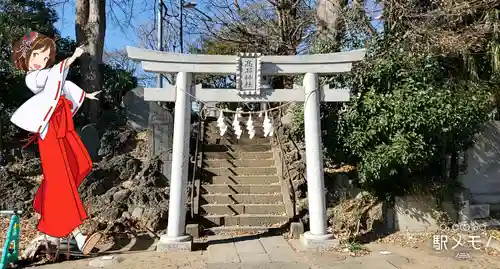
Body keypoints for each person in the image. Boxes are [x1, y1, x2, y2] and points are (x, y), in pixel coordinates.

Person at [10, 31, 102, 255]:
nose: (41, 60)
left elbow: (62, 84)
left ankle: (46, 199)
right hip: (50, 129)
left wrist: (84, 96)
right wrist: (71, 58)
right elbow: (51, 78)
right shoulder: (32, 77)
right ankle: (79, 236)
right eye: (36, 56)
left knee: (82, 164)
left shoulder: (50, 73)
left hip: (64, 124)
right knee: (62, 180)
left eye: (46, 56)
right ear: (26, 58)